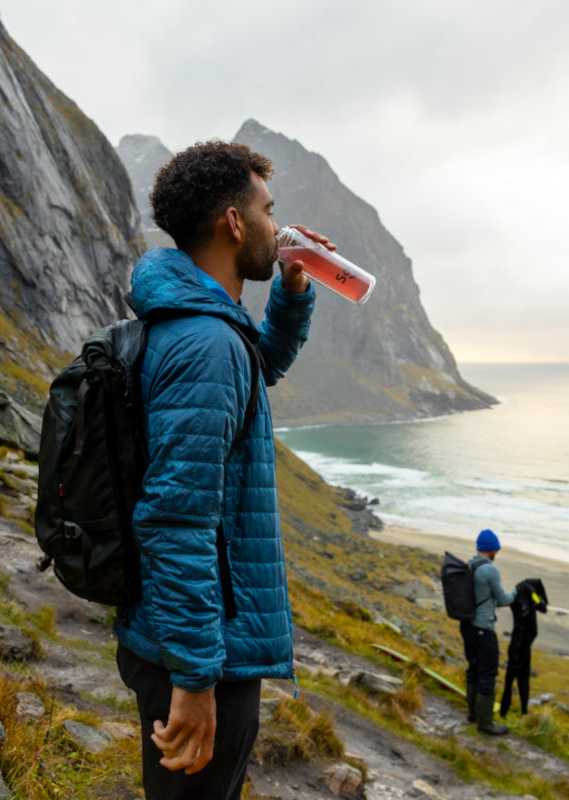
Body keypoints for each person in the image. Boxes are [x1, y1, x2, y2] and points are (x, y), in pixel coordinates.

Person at [114, 140, 333, 800]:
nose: (279, 227)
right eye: (269, 210)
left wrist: (293, 294)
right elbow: (176, 519)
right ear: (234, 223)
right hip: (205, 647)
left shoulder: (203, 323)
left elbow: (252, 366)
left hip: (185, 633)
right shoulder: (207, 344)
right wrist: (196, 679)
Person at [460, 528, 517, 735]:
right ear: (492, 549)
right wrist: (518, 591)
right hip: (483, 629)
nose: (497, 553)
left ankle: (472, 714)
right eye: (496, 550)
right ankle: (485, 724)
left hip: (467, 627)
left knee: (473, 669)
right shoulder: (490, 570)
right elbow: (502, 599)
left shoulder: (470, 565)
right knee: (488, 673)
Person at [500, 578, 548, 717]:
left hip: (516, 643)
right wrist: (536, 597)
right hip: (525, 646)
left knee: (509, 679)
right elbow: (543, 607)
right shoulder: (532, 595)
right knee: (523, 678)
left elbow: (504, 600)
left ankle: (504, 710)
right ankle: (524, 711)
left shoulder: (517, 595)